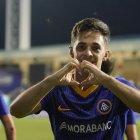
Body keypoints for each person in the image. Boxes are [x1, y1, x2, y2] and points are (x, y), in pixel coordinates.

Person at [10, 18, 140, 139]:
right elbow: (16, 111)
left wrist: (106, 80)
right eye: (81, 47)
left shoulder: (117, 87)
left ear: (105, 55)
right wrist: (51, 80)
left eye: (95, 48)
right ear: (72, 52)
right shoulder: (56, 89)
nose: (88, 53)